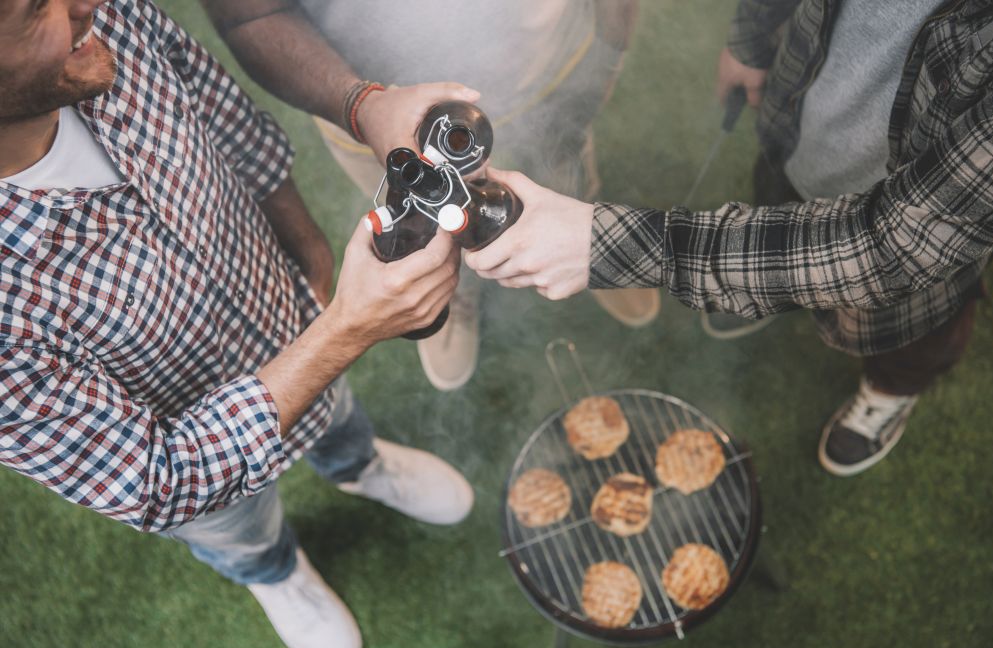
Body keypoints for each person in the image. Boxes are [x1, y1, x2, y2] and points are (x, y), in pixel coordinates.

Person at [0, 1, 474, 648]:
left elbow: (227, 118)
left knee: (337, 414)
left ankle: (360, 466)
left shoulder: (103, 26)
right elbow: (158, 478)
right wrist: (344, 329)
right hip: (198, 456)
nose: (86, 3)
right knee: (240, 529)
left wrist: (307, 243)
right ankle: (277, 572)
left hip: (280, 308)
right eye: (30, 12)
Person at [464, 0, 993, 476]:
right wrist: (752, 35)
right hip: (804, 127)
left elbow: (895, 247)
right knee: (777, 201)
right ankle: (766, 289)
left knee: (912, 334)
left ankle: (891, 390)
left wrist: (604, 245)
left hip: (912, 249)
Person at [200, 0, 661, 393]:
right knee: (421, 228)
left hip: (550, 61)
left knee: (568, 161)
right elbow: (248, 13)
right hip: (382, 111)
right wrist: (360, 106)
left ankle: (589, 228)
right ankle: (455, 295)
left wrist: (609, 47)